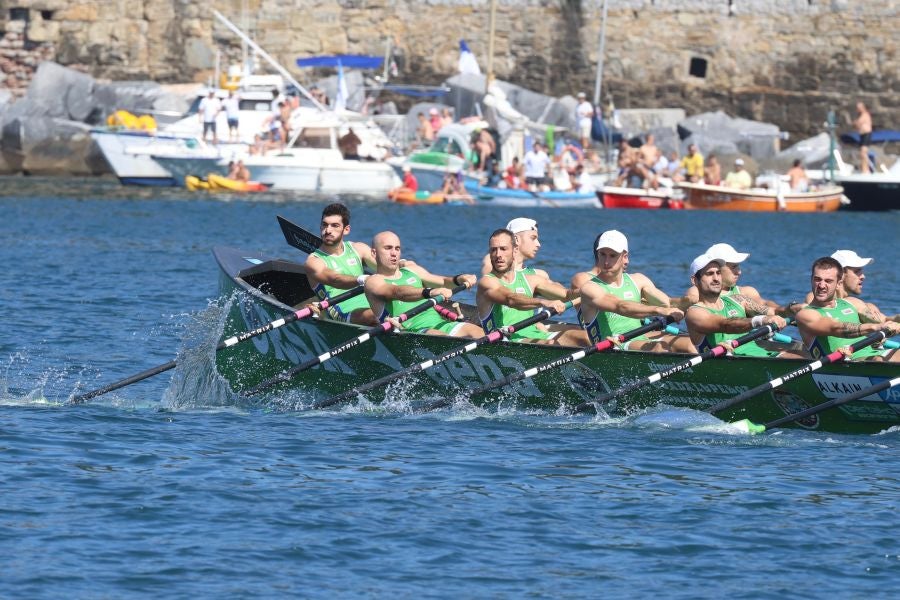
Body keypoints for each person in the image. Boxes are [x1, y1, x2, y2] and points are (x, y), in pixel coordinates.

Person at [572, 230, 692, 353]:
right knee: (660, 348)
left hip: (640, 340)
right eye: (602, 254)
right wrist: (659, 310)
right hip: (612, 346)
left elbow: (668, 303)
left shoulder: (638, 280)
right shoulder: (590, 288)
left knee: (689, 344)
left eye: (612, 255)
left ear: (624, 257)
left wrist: (691, 302)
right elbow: (621, 306)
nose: (606, 261)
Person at [477, 228, 587, 345]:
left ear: (515, 250)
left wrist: (593, 290)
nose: (498, 255)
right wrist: (543, 302)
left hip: (537, 334)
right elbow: (511, 299)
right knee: (551, 344)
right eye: (493, 250)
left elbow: (567, 295)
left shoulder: (530, 280)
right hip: (508, 340)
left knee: (586, 337)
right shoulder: (487, 282)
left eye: (503, 249)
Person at [364, 231, 483, 337]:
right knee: (441, 337)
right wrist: (430, 292)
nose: (394, 253)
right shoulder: (373, 281)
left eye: (397, 248)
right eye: (388, 248)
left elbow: (443, 282)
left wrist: (459, 279)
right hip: (412, 332)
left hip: (440, 324)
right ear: (374, 253)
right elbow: (397, 292)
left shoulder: (411, 270)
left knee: (478, 333)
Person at [685, 254, 794, 358]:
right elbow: (725, 324)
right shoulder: (694, 313)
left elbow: (773, 312)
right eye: (709, 274)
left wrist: (794, 310)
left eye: (718, 273)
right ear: (695, 280)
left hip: (761, 355)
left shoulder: (738, 299)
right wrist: (761, 320)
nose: (716, 278)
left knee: (803, 354)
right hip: (732, 363)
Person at [795, 256, 900, 361]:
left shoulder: (852, 302)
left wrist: (892, 325)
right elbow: (836, 327)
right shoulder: (805, 314)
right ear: (811, 280)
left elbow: (882, 321)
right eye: (817, 279)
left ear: (839, 284)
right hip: (847, 364)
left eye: (828, 281)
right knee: (878, 359)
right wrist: (877, 327)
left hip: (876, 354)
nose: (822, 285)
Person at [304, 203, 379, 325]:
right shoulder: (313, 261)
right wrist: (362, 279)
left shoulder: (358, 249)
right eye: (324, 225)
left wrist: (402, 265)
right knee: (375, 316)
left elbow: (385, 267)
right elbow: (335, 279)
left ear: (346, 229)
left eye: (335, 226)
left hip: (371, 303)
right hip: (342, 311)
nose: (328, 230)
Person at [678, 242, 797, 316]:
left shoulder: (746, 292)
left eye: (739, 266)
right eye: (734, 267)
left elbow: (765, 304)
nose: (739, 272)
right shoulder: (696, 291)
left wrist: (788, 310)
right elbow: (692, 299)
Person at [803, 250, 898, 324]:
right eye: (857, 271)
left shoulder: (858, 304)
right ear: (842, 274)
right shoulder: (813, 298)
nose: (863, 276)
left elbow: (886, 320)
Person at [854, 101, 873, 174]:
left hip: (866, 135)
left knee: (863, 153)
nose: (857, 109)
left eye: (859, 108)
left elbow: (858, 123)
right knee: (862, 153)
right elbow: (857, 125)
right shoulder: (860, 115)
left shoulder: (865, 114)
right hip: (862, 135)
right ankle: (864, 169)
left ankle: (866, 170)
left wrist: (855, 122)